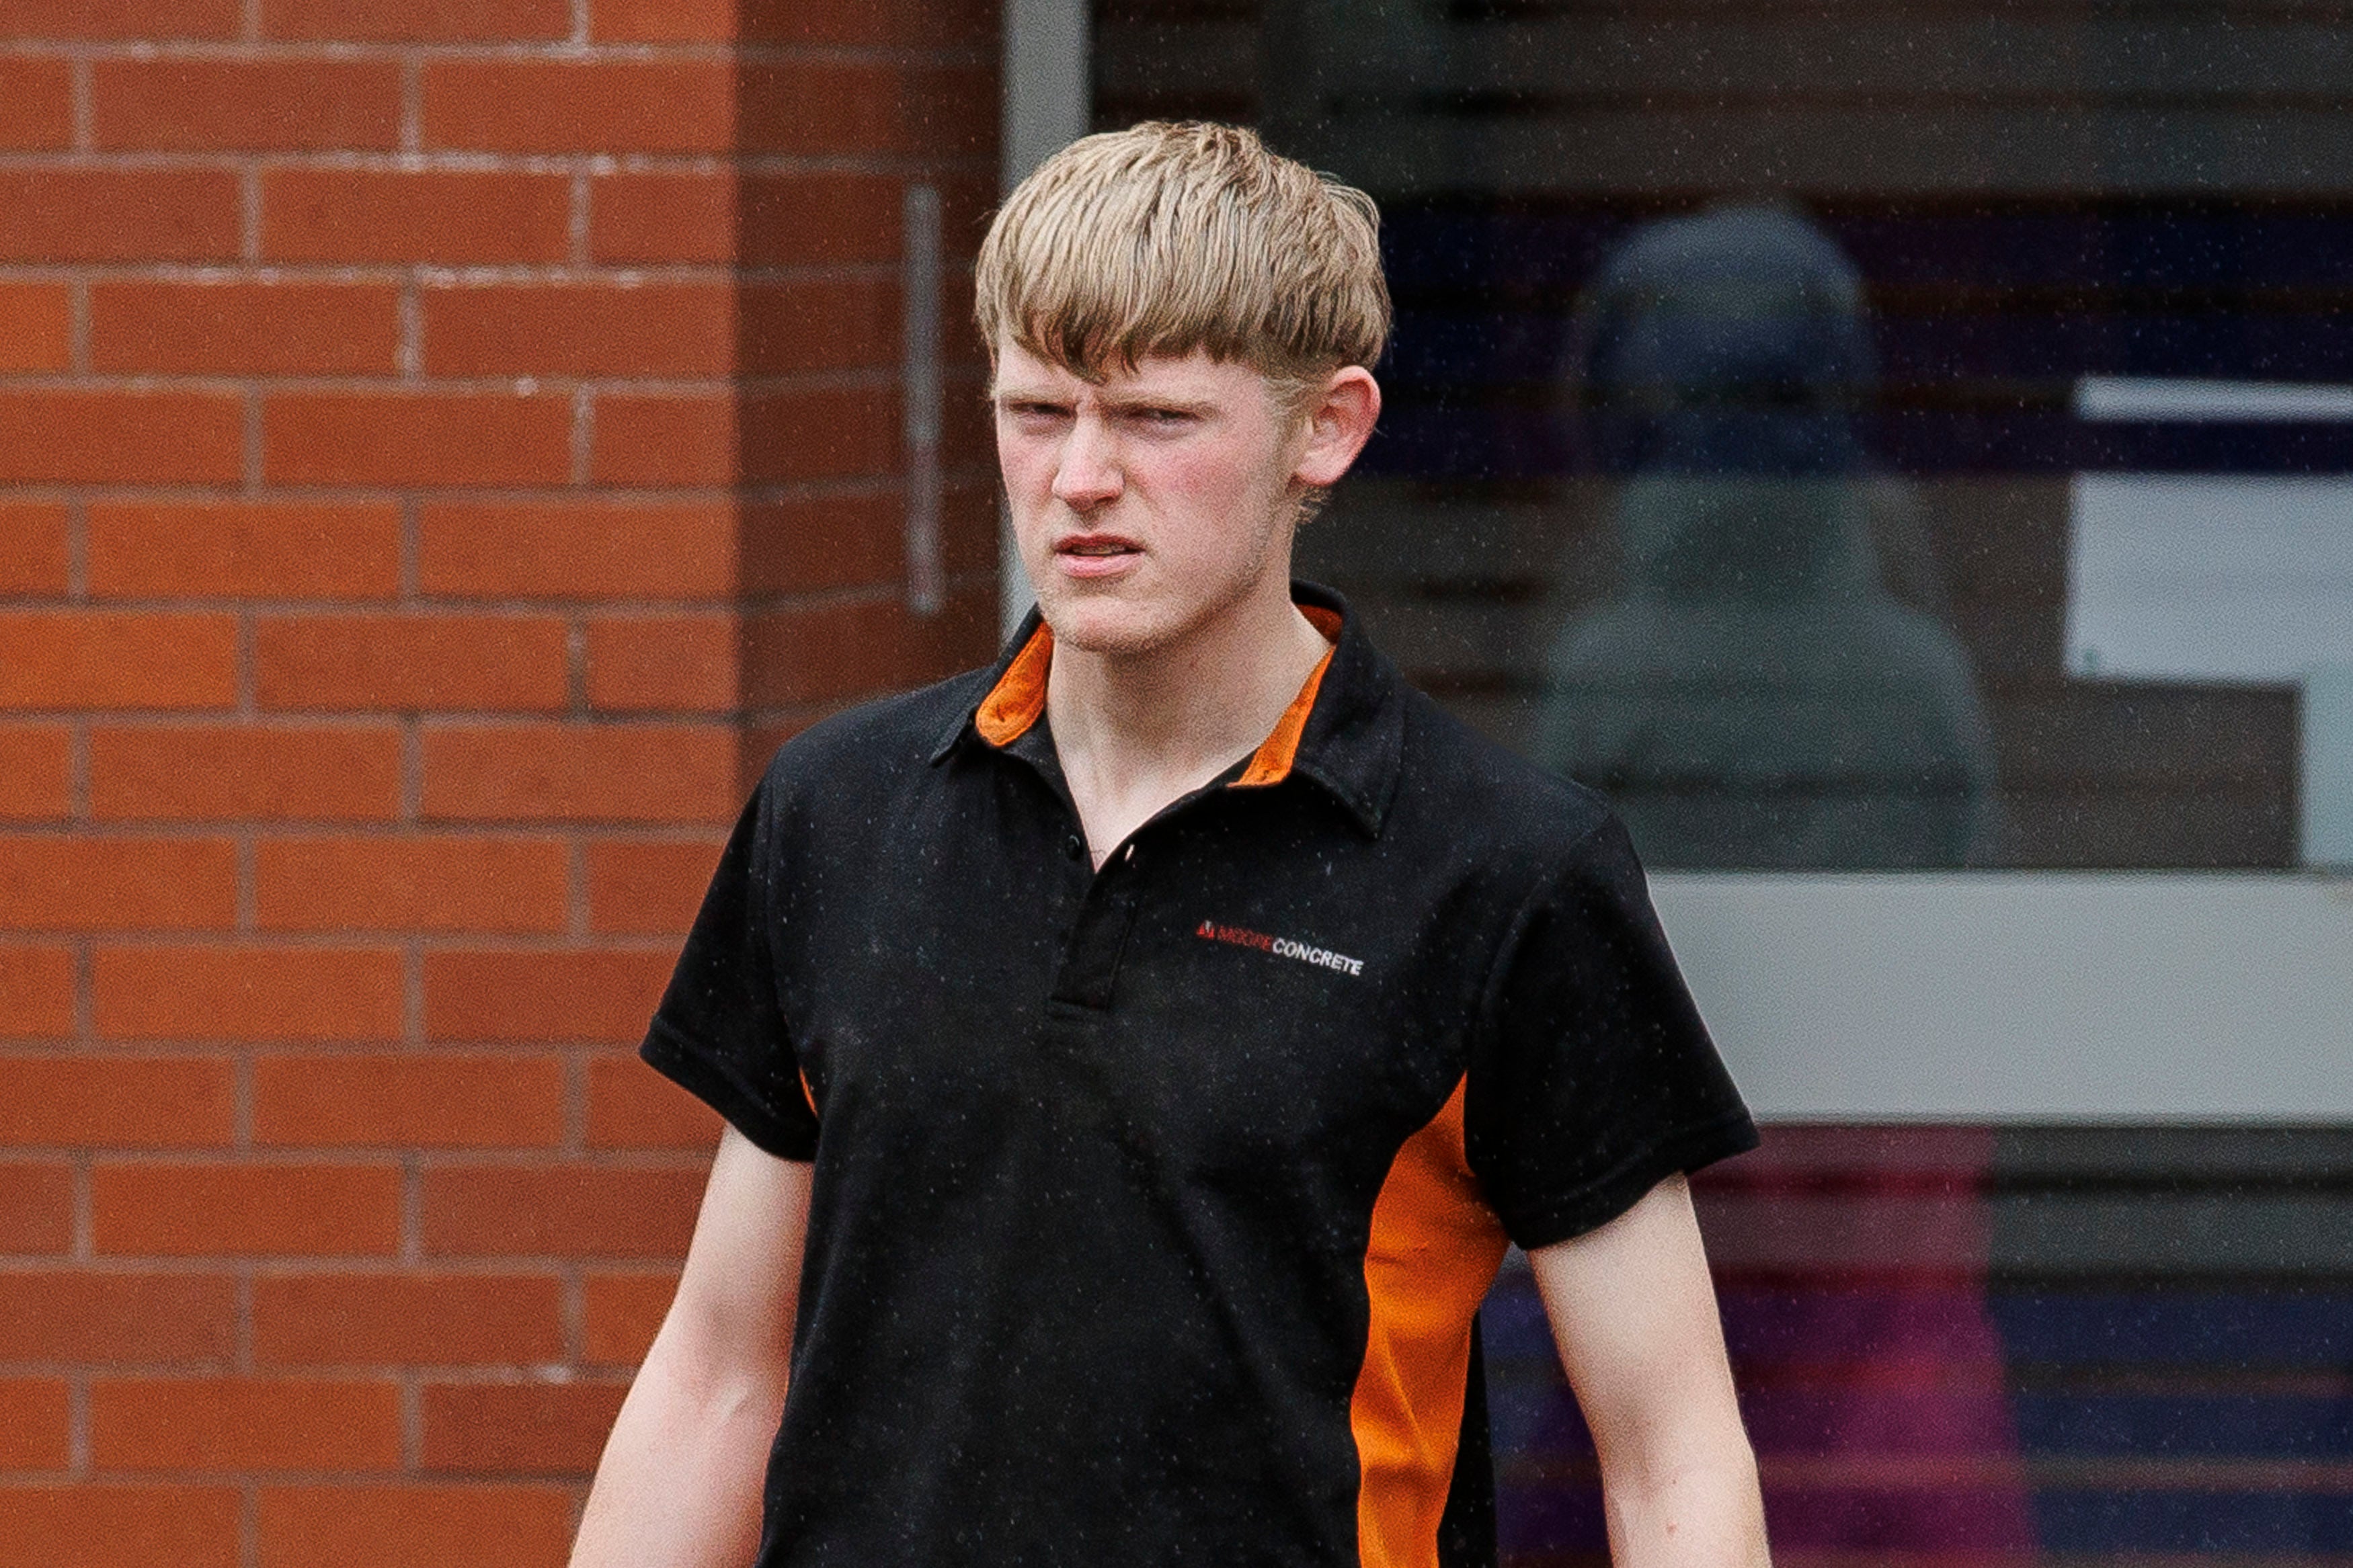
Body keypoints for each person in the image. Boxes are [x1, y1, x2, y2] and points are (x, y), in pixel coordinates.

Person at [570, 121, 1769, 1568]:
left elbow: (1668, 1454)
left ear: (1326, 428)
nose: (1080, 476)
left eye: (1154, 418)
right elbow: (718, 1378)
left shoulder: (1505, 871)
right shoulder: (841, 810)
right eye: (1036, 409)